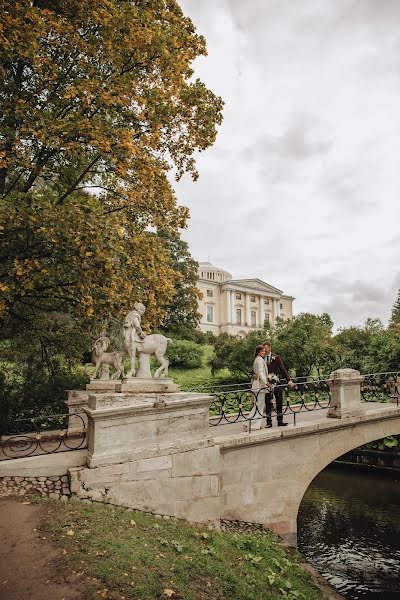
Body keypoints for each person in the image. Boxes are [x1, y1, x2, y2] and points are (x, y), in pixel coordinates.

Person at [263, 341, 294, 427]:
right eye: (263, 349)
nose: (264, 350)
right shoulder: (261, 358)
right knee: (268, 402)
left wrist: (289, 380)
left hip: (276, 382)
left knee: (279, 401)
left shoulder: (276, 357)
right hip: (266, 384)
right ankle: (268, 422)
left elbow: (283, 369)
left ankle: (280, 421)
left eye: (266, 348)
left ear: (270, 348)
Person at [245, 344, 269, 431]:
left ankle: (248, 422)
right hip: (259, 386)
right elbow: (261, 373)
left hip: (257, 385)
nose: (264, 352)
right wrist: (267, 383)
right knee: (260, 406)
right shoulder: (259, 360)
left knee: (258, 405)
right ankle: (254, 425)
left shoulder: (257, 359)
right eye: (263, 351)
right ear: (259, 352)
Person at [123, 302, 147, 377]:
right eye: (143, 311)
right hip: (131, 336)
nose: (143, 313)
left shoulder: (129, 315)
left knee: (130, 354)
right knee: (132, 355)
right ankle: (132, 370)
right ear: (139, 310)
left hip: (125, 335)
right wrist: (142, 333)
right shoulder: (135, 315)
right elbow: (137, 326)